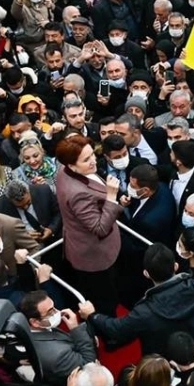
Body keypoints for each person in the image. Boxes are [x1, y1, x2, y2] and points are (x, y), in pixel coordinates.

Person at [87, 243, 194, 356]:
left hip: (164, 369)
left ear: (146, 274)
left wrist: (93, 315)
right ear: (175, 266)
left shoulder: (144, 311)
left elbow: (117, 329)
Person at [54, 135, 122, 316]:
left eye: (92, 155)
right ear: (72, 165)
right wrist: (111, 197)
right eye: (86, 160)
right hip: (95, 254)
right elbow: (100, 228)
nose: (93, 161)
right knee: (103, 298)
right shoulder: (77, 193)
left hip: (81, 242)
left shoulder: (64, 170)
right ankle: (110, 333)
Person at [20, 290, 97, 386]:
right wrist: (76, 329)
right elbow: (89, 365)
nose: (57, 312)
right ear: (35, 322)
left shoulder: (41, 327)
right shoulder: (56, 356)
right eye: (50, 311)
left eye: (54, 307)